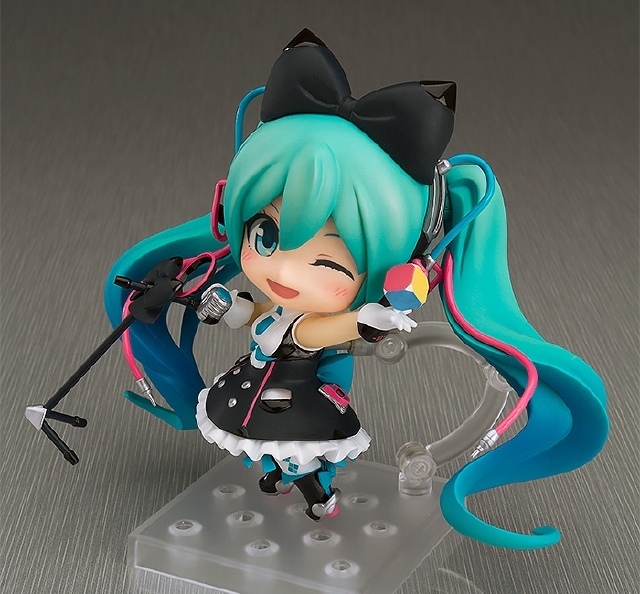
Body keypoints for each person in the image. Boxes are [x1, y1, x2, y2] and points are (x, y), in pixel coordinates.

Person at [104, 30, 608, 547]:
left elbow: (329, 329)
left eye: (324, 262)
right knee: (267, 444)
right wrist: (221, 303)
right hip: (260, 386)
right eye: (265, 237)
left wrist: (372, 317)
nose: (285, 273)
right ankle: (283, 476)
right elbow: (254, 312)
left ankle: (316, 492)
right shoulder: (280, 307)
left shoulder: (312, 327)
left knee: (299, 451)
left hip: (294, 397)